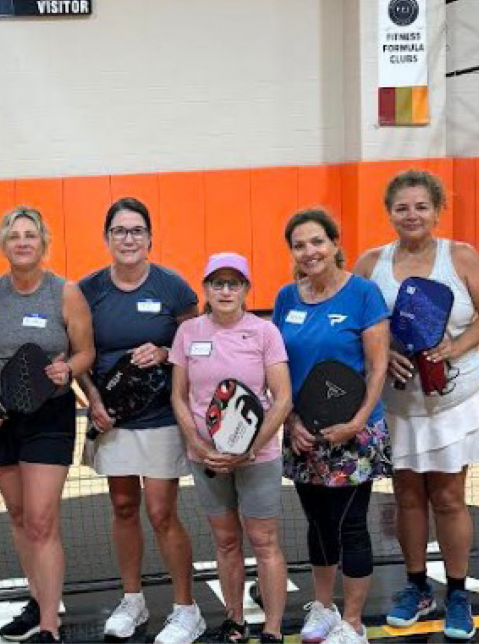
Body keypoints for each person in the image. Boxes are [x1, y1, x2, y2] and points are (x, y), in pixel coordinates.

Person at [355, 170, 479, 641]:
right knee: (407, 497)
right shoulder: (370, 263)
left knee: (448, 497)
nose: (412, 215)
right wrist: (380, 353)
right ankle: (417, 586)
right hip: (398, 406)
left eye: (421, 206)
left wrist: (455, 349)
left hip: (452, 404)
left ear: (436, 209)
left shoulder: (460, 257)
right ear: (389, 213)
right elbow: (357, 325)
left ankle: (457, 593)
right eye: (402, 207)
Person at [77, 197, 206, 644]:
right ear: (107, 238)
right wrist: (92, 401)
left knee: (160, 511)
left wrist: (168, 352)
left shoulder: (172, 288)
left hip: (162, 418)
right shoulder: (89, 290)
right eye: (119, 231)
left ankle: (187, 610)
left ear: (150, 237)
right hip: (112, 420)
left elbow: (200, 343)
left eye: (136, 231)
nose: (128, 239)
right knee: (124, 507)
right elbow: (80, 357)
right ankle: (132, 600)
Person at [0, 206, 94, 644]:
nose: (22, 242)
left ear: (43, 243)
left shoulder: (66, 293)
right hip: (0, 417)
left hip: (49, 415)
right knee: (20, 516)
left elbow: (85, 352)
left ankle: (48, 626)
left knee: (41, 519)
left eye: (30, 235)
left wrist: (68, 370)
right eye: (14, 236)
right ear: (3, 244)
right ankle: (39, 599)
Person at [273, 209, 391, 644]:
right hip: (303, 432)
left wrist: (358, 422)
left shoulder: (363, 294)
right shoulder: (287, 297)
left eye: (317, 241)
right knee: (318, 524)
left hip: (355, 433)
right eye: (300, 244)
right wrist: (291, 420)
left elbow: (377, 367)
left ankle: (354, 623)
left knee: (352, 525)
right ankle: (323, 609)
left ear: (336, 244)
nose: (309, 251)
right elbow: (278, 367)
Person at [171, 252, 292, 643]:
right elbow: (179, 395)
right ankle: (235, 620)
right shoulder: (189, 332)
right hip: (205, 457)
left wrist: (248, 447)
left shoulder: (264, 332)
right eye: (217, 283)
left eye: (234, 283)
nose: (225, 290)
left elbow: (283, 397)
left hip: (258, 457)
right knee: (225, 541)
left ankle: (272, 629)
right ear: (205, 288)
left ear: (245, 290)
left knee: (264, 541)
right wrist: (196, 443)